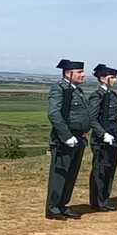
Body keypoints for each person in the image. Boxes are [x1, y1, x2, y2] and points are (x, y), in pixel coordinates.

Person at [45, 59, 92, 220]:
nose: (83, 75)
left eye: (82, 71)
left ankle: (62, 205)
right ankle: (53, 208)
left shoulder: (77, 90)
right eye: (79, 72)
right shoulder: (59, 89)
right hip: (65, 138)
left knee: (71, 173)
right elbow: (54, 114)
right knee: (60, 174)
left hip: (78, 138)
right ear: (67, 73)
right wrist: (66, 136)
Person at [86, 64, 117, 211]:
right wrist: (103, 134)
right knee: (100, 170)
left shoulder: (112, 94)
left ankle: (105, 199)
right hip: (102, 139)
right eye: (111, 77)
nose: (114, 80)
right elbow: (92, 118)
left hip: (113, 135)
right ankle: (97, 201)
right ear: (102, 78)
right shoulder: (97, 95)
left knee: (110, 168)